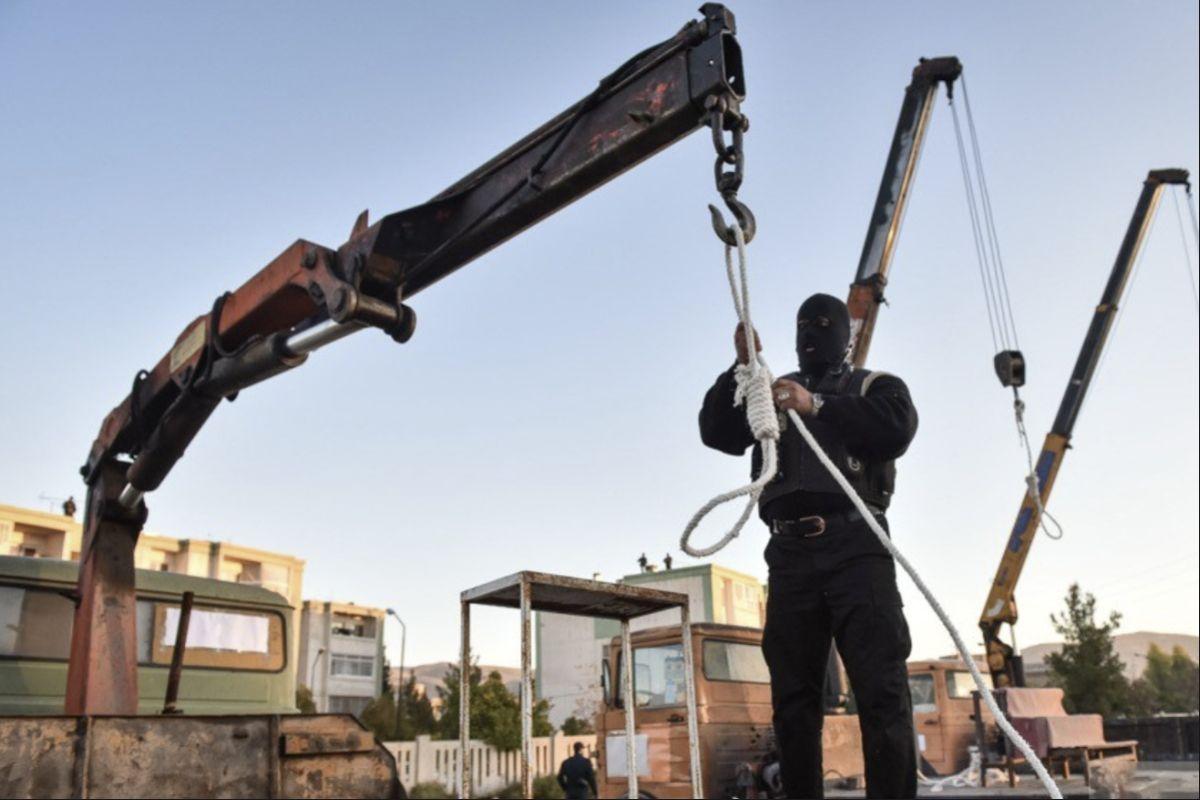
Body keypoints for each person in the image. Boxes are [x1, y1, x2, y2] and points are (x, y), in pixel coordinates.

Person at [699, 293, 919, 799]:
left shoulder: (873, 386)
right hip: (790, 557)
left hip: (856, 547)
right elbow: (717, 432)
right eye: (802, 325)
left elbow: (897, 427)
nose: (809, 334)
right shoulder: (769, 391)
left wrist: (815, 404)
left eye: (822, 324)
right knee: (793, 703)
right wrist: (741, 368)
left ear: (845, 334)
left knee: (881, 691)